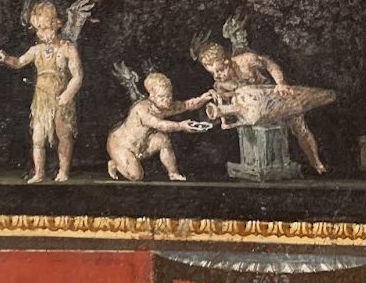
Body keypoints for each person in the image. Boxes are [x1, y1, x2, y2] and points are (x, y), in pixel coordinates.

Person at [197, 42, 327, 174]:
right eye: (212, 73)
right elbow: (225, 104)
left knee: (299, 127)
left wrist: (281, 83)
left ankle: (316, 163)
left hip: (276, 98)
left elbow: (269, 65)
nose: (217, 76)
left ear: (226, 61)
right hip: (257, 111)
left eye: (219, 70)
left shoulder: (246, 60)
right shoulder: (221, 83)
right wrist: (215, 96)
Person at [0, 1, 83, 183]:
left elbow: (78, 76)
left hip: (61, 100)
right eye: (38, 29)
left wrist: (67, 94)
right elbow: (18, 62)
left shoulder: (67, 48)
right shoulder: (36, 50)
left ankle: (63, 171)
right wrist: (5, 58)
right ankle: (39, 173)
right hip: (41, 101)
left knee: (63, 135)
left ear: (57, 24)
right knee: (38, 139)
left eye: (45, 28)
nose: (41, 33)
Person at [107, 73, 212, 181]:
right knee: (136, 176)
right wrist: (181, 126)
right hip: (122, 145)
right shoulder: (143, 109)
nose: (167, 100)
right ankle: (115, 164)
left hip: (142, 144)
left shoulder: (163, 106)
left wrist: (202, 99)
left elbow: (186, 105)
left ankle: (173, 173)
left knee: (163, 140)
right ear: (152, 96)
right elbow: (160, 124)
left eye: (169, 96)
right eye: (162, 97)